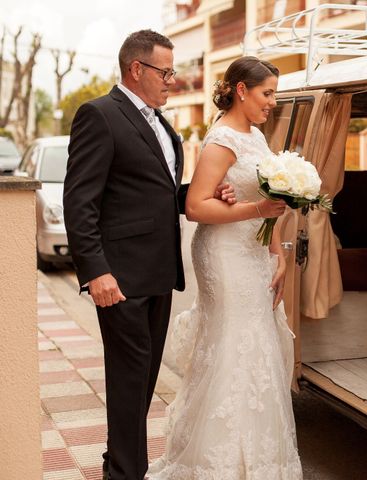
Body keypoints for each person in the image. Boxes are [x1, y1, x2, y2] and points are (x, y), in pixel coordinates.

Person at [63, 30, 235, 480]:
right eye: (166, 71)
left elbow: (154, 193)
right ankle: (124, 473)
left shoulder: (161, 123)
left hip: (159, 273)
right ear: (136, 69)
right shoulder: (99, 115)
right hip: (119, 279)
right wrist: (95, 271)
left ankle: (115, 465)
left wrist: (203, 192)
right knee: (128, 381)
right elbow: (79, 202)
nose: (172, 80)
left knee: (140, 382)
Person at [147, 56, 303, 479]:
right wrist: (257, 207)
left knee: (259, 349)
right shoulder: (221, 138)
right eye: (267, 93)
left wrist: (278, 252)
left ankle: (257, 461)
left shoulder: (256, 136)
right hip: (224, 255)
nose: (273, 102)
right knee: (236, 346)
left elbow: (267, 203)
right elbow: (196, 206)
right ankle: (216, 463)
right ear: (241, 90)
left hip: (254, 251)